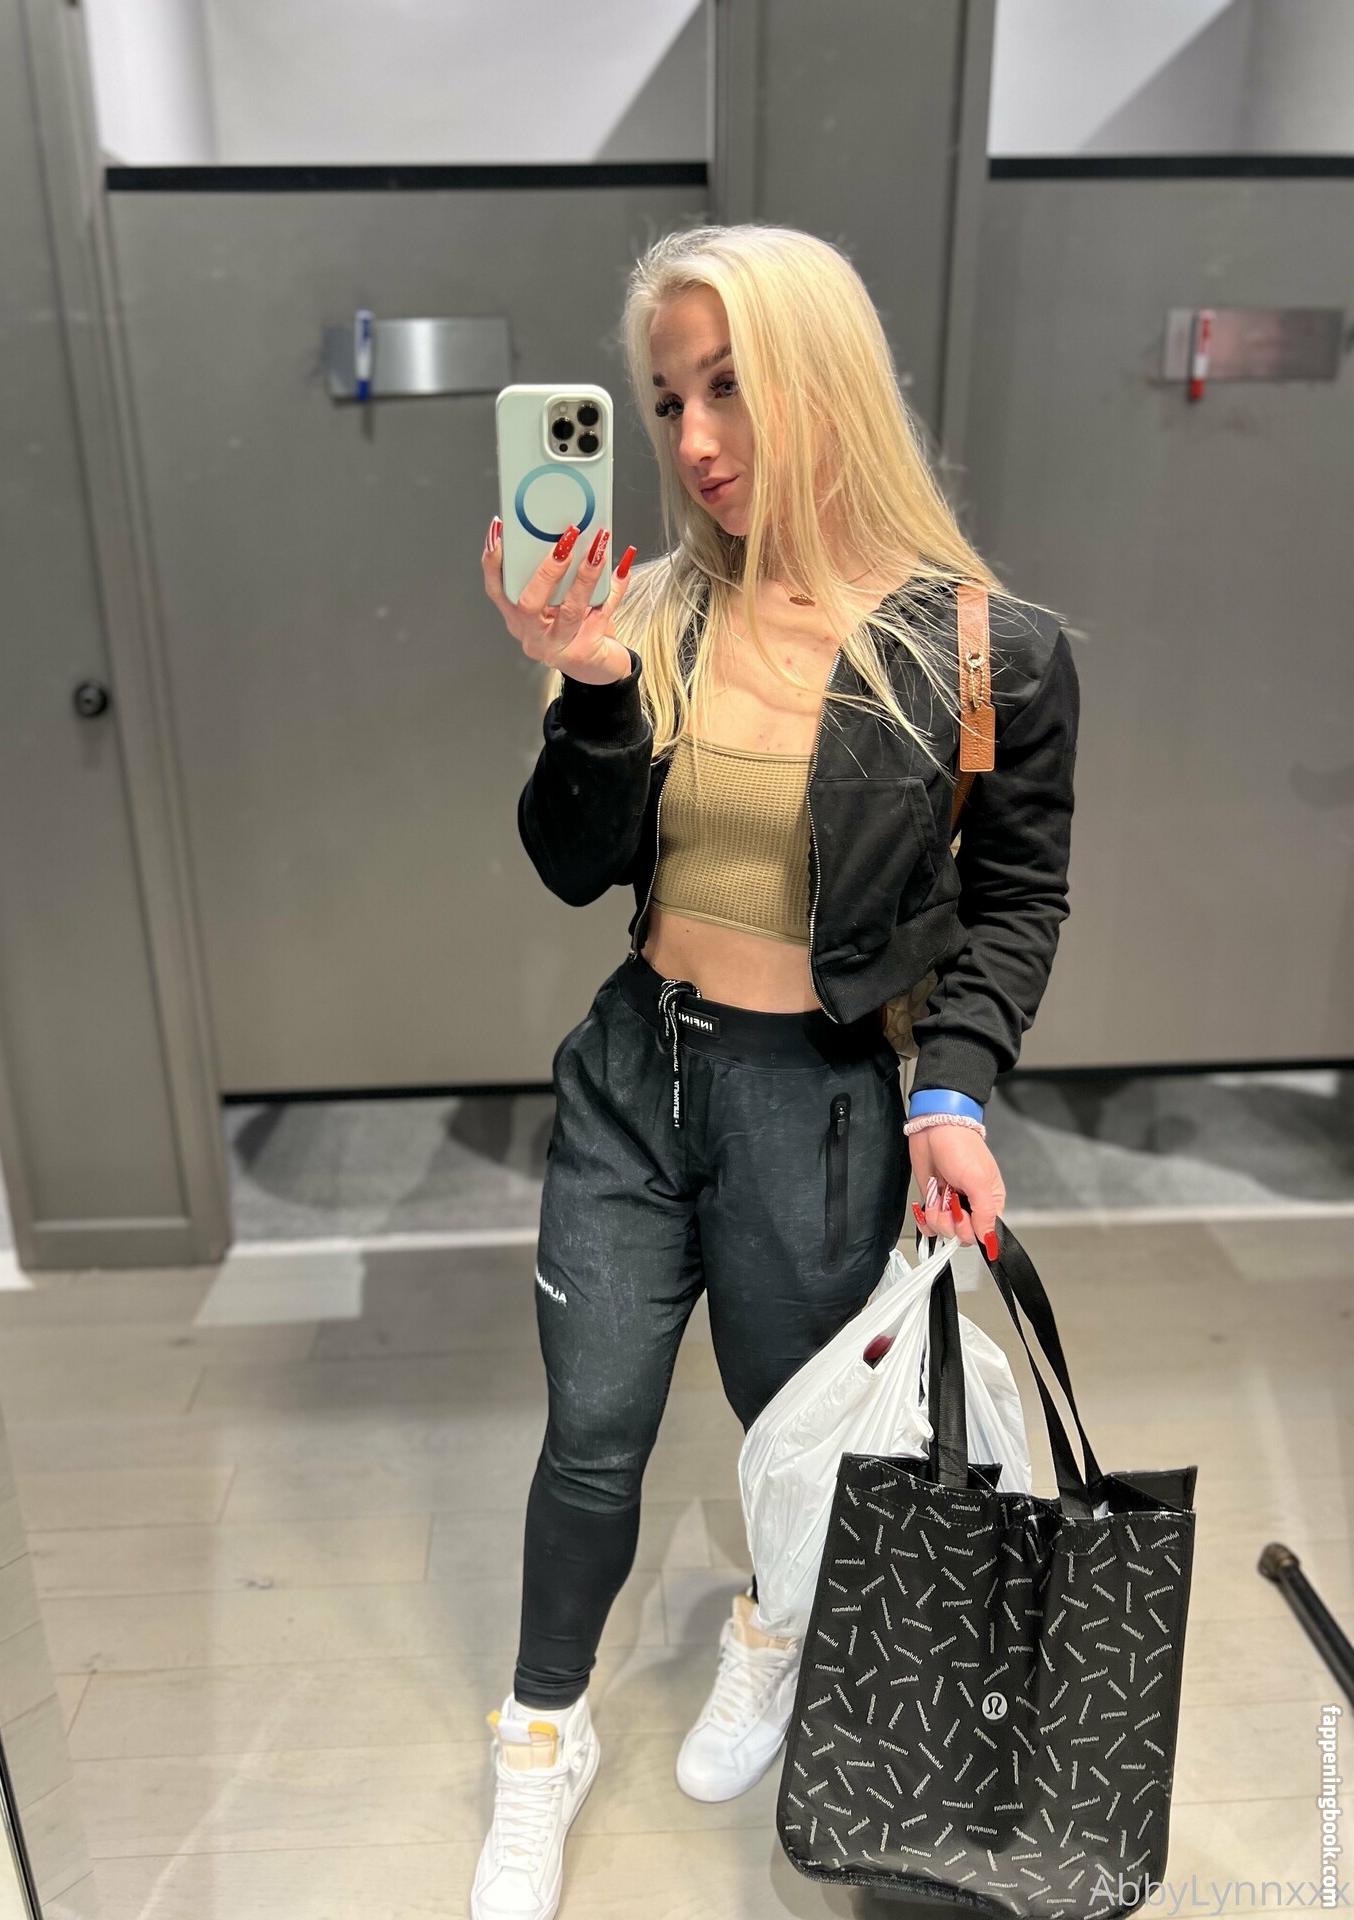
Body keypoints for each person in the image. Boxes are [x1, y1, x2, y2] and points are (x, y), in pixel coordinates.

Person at [469, 222, 1079, 1920]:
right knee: (592, 1431)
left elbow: (1017, 898)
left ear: (826, 380)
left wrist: (952, 1089)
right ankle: (540, 1736)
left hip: (819, 1100)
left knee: (789, 1434)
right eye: (669, 399)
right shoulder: (648, 611)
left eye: (730, 385)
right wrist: (592, 692)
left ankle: (768, 1630)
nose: (696, 437)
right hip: (633, 1077)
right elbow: (572, 865)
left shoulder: (980, 652)